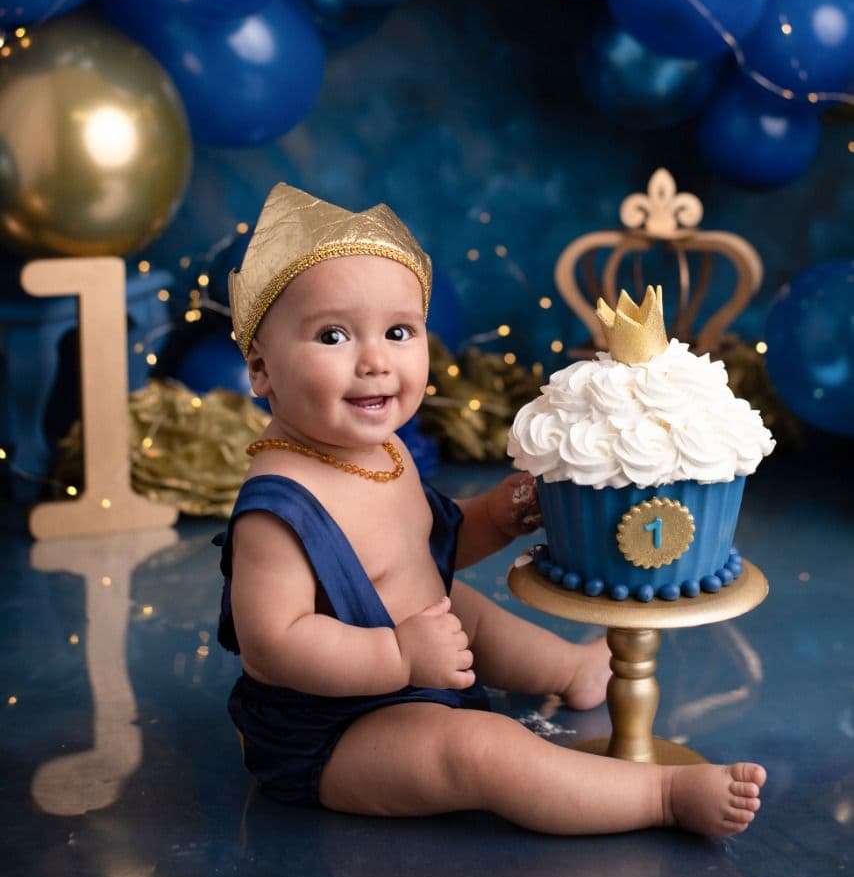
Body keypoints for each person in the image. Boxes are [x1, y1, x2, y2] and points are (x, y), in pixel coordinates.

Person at [217, 183, 765, 836]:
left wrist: (493, 518)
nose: (374, 361)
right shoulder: (277, 508)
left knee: (458, 606)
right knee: (478, 751)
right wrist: (399, 657)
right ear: (260, 370)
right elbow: (274, 646)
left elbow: (423, 548)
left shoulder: (379, 448)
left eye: (398, 331)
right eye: (332, 335)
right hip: (338, 728)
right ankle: (663, 797)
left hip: (417, 654)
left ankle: (570, 669)